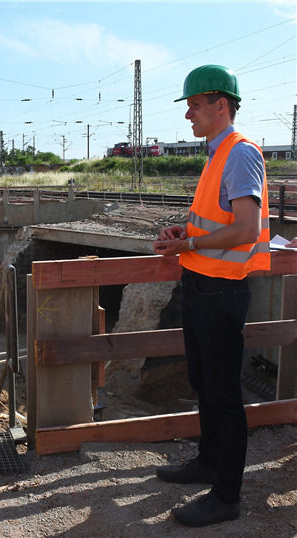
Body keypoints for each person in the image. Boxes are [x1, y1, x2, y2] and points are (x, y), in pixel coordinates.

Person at [153, 65, 270, 527]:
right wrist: (187, 231)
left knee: (223, 394)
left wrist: (190, 244)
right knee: (204, 382)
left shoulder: (240, 154)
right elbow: (219, 219)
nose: (188, 114)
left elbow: (244, 228)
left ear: (222, 105)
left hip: (222, 291)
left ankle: (226, 496)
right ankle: (207, 462)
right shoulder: (216, 155)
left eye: (195, 105)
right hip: (201, 284)